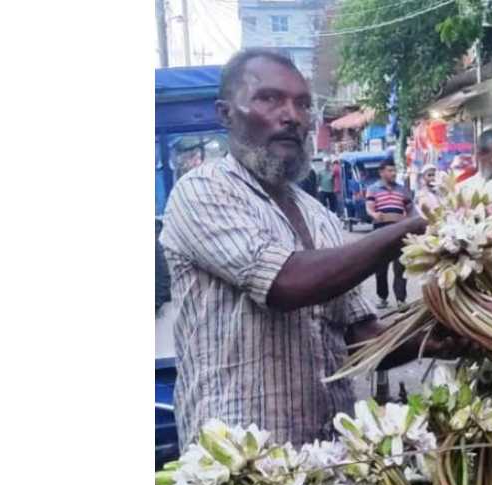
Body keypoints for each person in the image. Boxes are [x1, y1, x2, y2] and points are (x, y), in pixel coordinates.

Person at [159, 49, 453, 447]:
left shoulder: (318, 215)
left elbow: (360, 340)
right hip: (239, 469)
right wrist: (411, 228)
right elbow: (285, 283)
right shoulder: (202, 191)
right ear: (225, 113)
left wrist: (438, 336)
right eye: (269, 99)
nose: (291, 116)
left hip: (329, 459)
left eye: (302, 104)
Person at [365, 158, 412, 309]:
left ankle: (401, 299)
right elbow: (369, 207)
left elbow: (410, 209)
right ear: (381, 172)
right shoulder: (373, 189)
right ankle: (382, 297)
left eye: (395, 170)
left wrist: (409, 221)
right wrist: (374, 215)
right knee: (380, 267)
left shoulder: (402, 190)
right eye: (390, 170)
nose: (394, 173)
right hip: (381, 233)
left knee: (400, 267)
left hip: (399, 233)